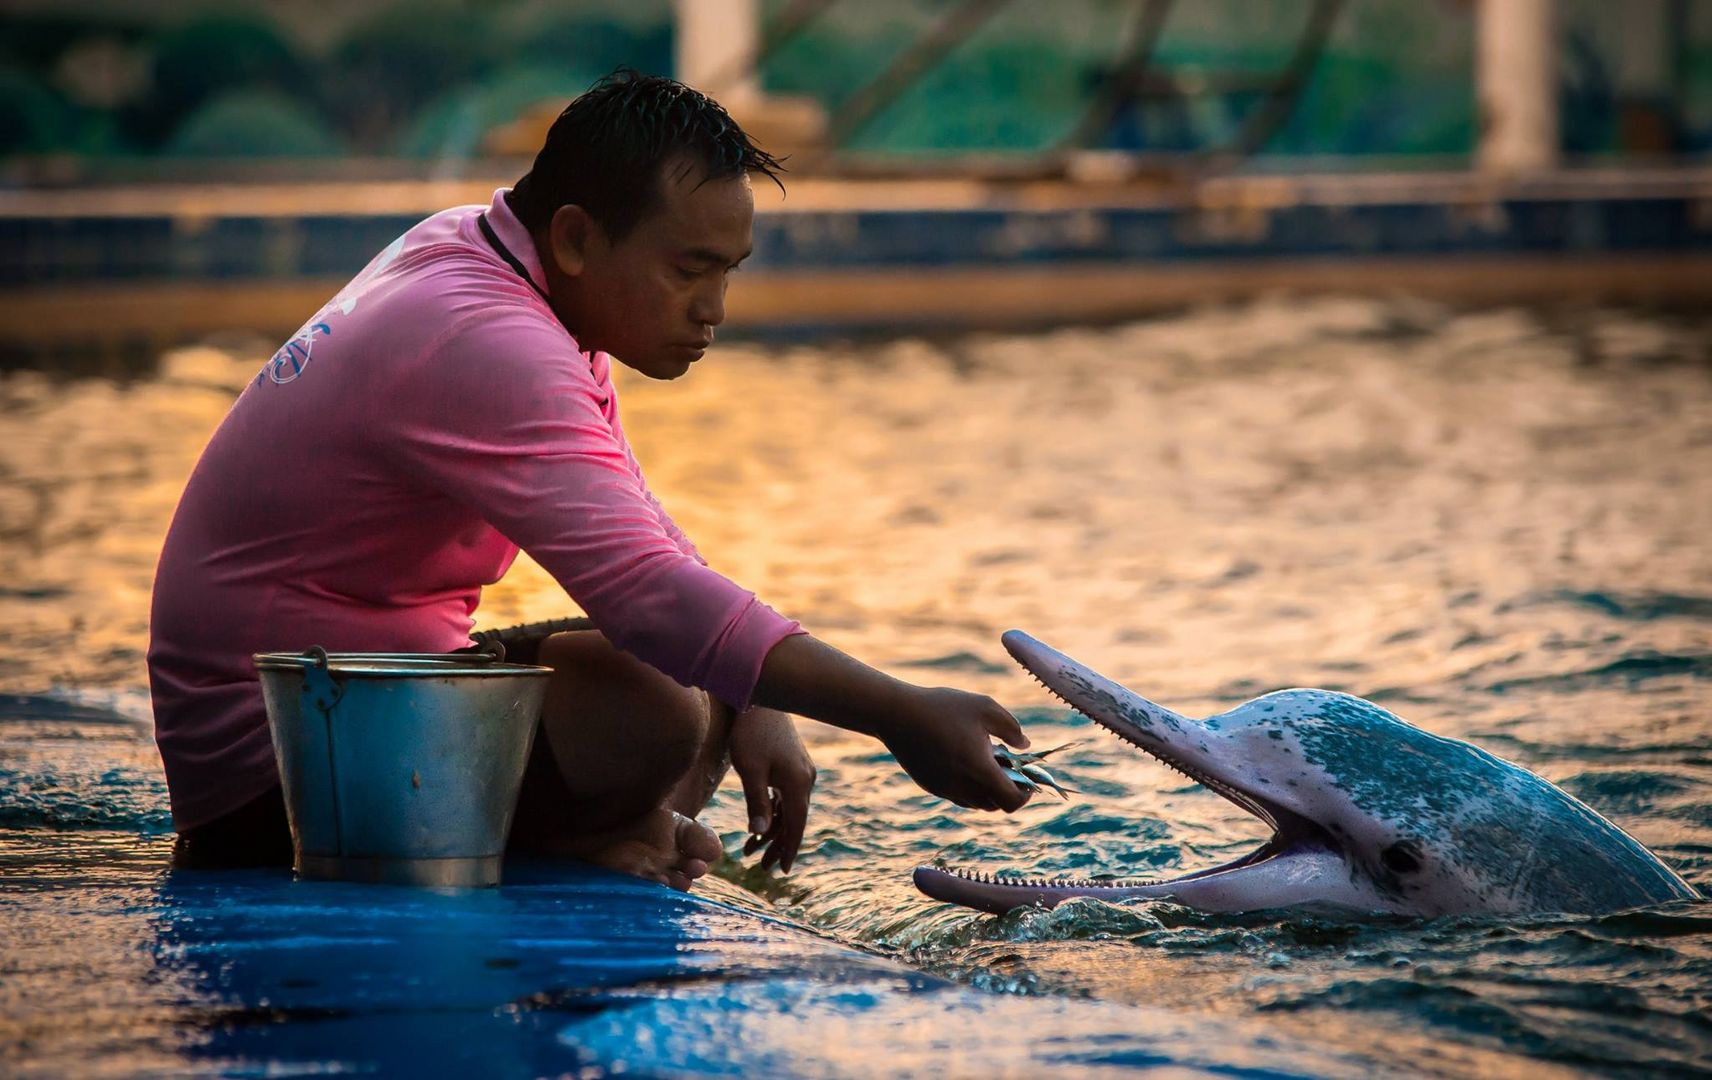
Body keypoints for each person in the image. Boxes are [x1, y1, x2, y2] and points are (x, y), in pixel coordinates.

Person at [148, 71, 1030, 889]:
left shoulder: (492, 258)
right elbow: (650, 596)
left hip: (361, 700)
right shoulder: (487, 337)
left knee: (706, 677)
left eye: (727, 272)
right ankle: (587, 840)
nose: (715, 309)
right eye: (689, 269)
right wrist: (900, 713)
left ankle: (613, 832)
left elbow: (644, 542)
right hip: (284, 774)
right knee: (653, 706)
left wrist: (756, 695)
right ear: (574, 237)